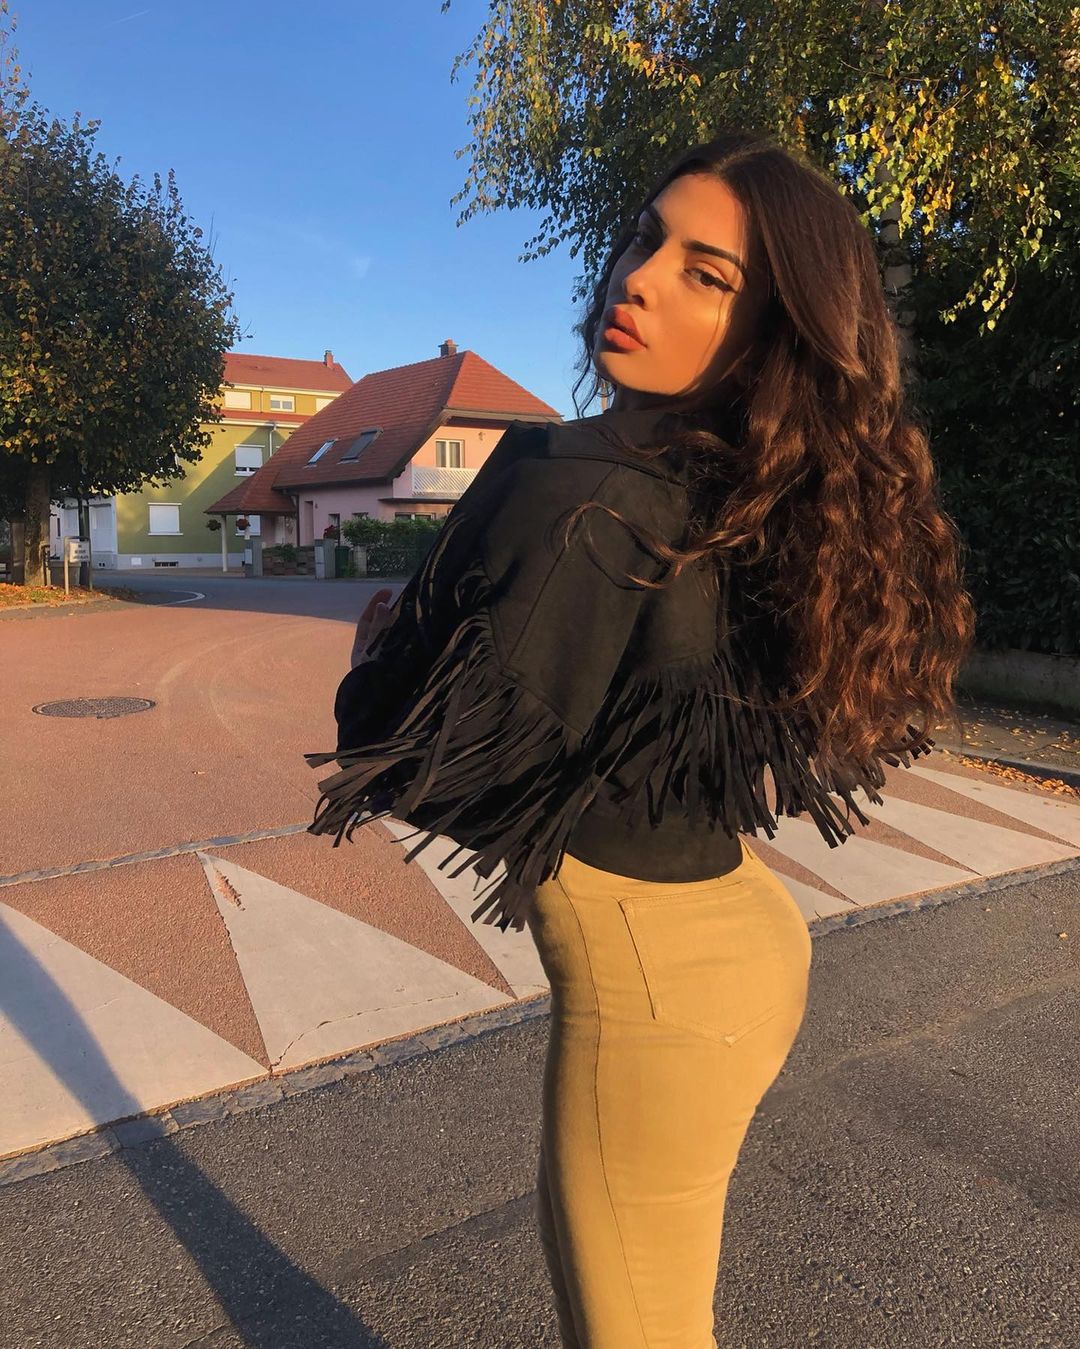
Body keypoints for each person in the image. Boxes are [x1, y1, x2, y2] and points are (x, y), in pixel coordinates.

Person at [311, 129, 975, 1348]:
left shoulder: (583, 478)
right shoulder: (755, 492)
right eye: (644, 240)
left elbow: (438, 763)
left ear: (768, 327)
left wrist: (375, 663)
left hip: (655, 996)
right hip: (746, 941)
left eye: (705, 274)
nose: (639, 277)